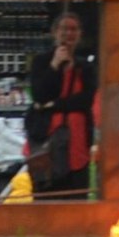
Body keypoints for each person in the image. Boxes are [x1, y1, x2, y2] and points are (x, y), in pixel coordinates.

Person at [27, 12, 97, 199]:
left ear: (80, 34)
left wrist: (54, 104)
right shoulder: (41, 62)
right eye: (64, 29)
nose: (68, 34)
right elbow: (40, 95)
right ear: (54, 32)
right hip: (46, 139)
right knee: (46, 191)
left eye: (73, 29)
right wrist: (55, 65)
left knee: (76, 192)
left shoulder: (85, 66)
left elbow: (86, 100)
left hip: (77, 140)